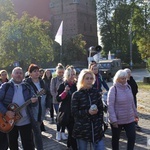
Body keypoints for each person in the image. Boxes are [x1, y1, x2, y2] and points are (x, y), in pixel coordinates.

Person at [0, 67, 38, 150]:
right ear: (12, 75)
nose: (18, 75)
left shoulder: (27, 86)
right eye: (16, 73)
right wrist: (6, 112)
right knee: (13, 144)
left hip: (25, 121)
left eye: (20, 73)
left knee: (28, 144)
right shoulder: (5, 86)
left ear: (23, 75)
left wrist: (34, 102)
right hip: (9, 121)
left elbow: (34, 104)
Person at [71, 69, 105, 150]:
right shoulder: (76, 94)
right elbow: (74, 113)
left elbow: (101, 108)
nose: (89, 80)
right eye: (87, 78)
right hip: (82, 130)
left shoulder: (96, 92)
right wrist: (87, 112)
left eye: (91, 78)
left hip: (96, 129)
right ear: (82, 79)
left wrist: (99, 122)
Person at [107, 69, 138, 150]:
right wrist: (113, 120)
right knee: (116, 139)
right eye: (122, 78)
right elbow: (110, 106)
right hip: (117, 120)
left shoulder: (128, 87)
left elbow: (132, 102)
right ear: (117, 79)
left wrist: (135, 114)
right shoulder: (113, 89)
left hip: (129, 118)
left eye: (125, 78)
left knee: (132, 137)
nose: (124, 80)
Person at [24, 64, 49, 150]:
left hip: (41, 110)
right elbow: (24, 97)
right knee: (35, 132)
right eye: (34, 71)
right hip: (30, 111)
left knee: (37, 132)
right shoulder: (26, 83)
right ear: (30, 73)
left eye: (38, 71)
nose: (37, 73)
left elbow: (47, 94)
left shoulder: (42, 82)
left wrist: (48, 106)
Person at [56, 66, 77, 150]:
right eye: (71, 74)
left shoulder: (77, 85)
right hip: (67, 113)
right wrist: (65, 92)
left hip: (76, 112)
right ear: (67, 75)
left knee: (73, 132)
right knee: (72, 132)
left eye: (74, 74)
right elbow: (58, 99)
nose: (73, 76)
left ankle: (69, 146)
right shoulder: (63, 85)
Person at [50, 63, 67, 140]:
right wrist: (57, 98)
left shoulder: (65, 79)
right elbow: (52, 90)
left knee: (64, 117)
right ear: (57, 72)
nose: (61, 74)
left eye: (62, 72)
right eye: (59, 72)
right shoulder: (54, 79)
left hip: (65, 101)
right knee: (58, 117)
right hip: (56, 101)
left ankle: (63, 132)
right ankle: (58, 132)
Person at [0, 70, 9, 150]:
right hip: (1, 109)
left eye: (5, 74)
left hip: (8, 109)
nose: (4, 76)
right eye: (2, 74)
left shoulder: (9, 84)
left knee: (6, 131)